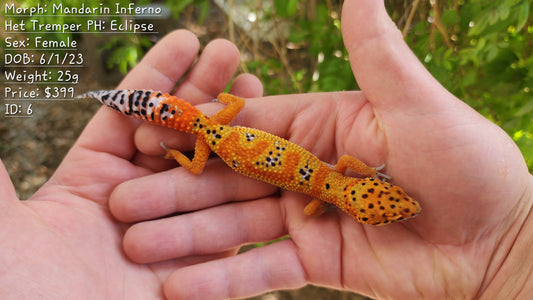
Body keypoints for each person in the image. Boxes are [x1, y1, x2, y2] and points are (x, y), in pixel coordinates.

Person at [1, 0, 532, 298]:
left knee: (201, 120)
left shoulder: (341, 171)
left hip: (228, 131)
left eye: (389, 208)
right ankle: (129, 107)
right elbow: (309, 204)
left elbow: (339, 172)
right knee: (187, 166)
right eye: (391, 201)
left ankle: (126, 102)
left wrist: (365, 169)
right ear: (361, 199)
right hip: (222, 144)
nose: (401, 204)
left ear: (366, 189)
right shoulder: (323, 199)